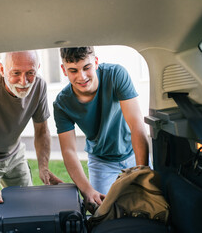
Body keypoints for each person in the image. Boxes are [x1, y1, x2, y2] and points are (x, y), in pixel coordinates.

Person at [0, 50, 62, 216]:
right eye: (16, 73)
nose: (24, 81)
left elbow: (42, 130)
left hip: (15, 155)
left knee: (27, 206)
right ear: (2, 69)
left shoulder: (39, 86)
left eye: (30, 73)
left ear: (38, 68)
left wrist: (43, 168)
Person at [53, 47, 149, 213]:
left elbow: (136, 125)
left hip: (133, 153)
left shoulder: (116, 75)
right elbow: (68, 150)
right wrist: (86, 190)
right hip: (101, 161)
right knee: (101, 212)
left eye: (86, 67)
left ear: (96, 62)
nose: (81, 77)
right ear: (64, 70)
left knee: (148, 205)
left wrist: (142, 174)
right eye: (73, 70)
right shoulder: (62, 104)